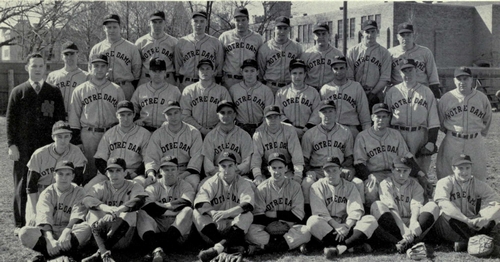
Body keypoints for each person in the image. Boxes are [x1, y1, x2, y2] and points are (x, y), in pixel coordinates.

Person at [7, 52, 66, 231]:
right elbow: (10, 121)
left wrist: (59, 144)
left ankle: (47, 219)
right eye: (34, 66)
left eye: (41, 66)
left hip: (47, 146)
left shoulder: (53, 92)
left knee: (47, 181)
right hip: (24, 147)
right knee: (23, 183)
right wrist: (12, 145)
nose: (38, 69)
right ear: (27, 68)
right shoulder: (18, 92)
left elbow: (60, 119)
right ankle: (20, 223)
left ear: (45, 68)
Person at [69, 54, 125, 189]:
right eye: (96, 66)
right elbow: (74, 116)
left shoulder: (116, 89)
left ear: (108, 68)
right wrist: (77, 140)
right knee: (89, 170)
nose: (99, 69)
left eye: (103, 66)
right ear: (89, 68)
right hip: (89, 134)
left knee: (111, 169)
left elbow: (122, 113)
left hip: (111, 132)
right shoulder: (80, 90)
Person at [354, 103, 426, 206]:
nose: (381, 120)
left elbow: (407, 156)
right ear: (372, 117)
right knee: (371, 191)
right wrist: (368, 176)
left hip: (396, 172)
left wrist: (420, 174)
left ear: (389, 118)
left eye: (384, 117)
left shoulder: (395, 134)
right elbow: (359, 163)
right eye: (378, 116)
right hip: (375, 174)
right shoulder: (362, 137)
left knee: (415, 186)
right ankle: (375, 215)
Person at [306, 157, 378, 259]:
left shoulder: (350, 186)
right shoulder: (316, 186)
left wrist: (347, 226)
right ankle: (351, 245)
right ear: (323, 172)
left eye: (334, 170)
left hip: (346, 225)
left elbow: (356, 210)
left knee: (371, 220)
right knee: (312, 221)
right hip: (328, 226)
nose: (331, 174)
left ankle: (337, 247)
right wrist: (336, 226)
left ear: (340, 170)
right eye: (328, 171)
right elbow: (320, 212)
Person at [19, 161, 91, 262]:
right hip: (50, 233)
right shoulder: (47, 192)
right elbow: (44, 216)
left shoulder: (79, 191)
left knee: (86, 228)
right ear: (54, 175)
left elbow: (78, 216)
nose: (64, 178)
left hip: (70, 233)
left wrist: (66, 232)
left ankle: (46, 257)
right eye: (60, 174)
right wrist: (50, 240)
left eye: (67, 174)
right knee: (24, 233)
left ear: (73, 176)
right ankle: (66, 256)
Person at [301, 100, 360, 217]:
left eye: (330, 111)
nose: (327, 114)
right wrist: (308, 171)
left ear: (335, 113)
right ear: (319, 114)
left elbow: (349, 156)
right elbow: (304, 158)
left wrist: (344, 168)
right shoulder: (310, 133)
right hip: (318, 170)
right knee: (306, 184)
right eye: (324, 112)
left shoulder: (345, 131)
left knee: (358, 183)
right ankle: (309, 217)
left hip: (338, 170)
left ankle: (355, 217)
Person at [82, 158, 147, 262]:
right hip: (101, 234)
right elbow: (87, 199)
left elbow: (139, 200)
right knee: (93, 212)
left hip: (122, 237)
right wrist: (105, 207)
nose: (114, 174)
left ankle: (101, 251)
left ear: (125, 172)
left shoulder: (134, 185)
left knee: (131, 213)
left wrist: (118, 210)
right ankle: (105, 254)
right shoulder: (101, 186)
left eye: (118, 171)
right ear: (106, 173)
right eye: (111, 171)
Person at [370, 157, 439, 253]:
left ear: (410, 171)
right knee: (376, 205)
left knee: (433, 206)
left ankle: (404, 243)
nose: (401, 175)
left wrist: (414, 222)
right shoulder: (386, 184)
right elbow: (391, 207)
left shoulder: (415, 185)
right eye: (398, 171)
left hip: (413, 228)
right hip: (395, 225)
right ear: (392, 170)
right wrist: (403, 229)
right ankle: (407, 242)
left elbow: (416, 205)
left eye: (405, 171)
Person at [194, 152, 255, 262]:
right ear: (218, 167)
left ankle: (218, 249)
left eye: (230, 165)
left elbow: (248, 204)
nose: (227, 170)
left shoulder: (243, 182)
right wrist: (214, 214)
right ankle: (227, 247)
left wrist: (226, 213)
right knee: (195, 213)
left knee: (248, 215)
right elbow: (200, 203)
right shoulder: (211, 182)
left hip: (234, 227)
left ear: (236, 166)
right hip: (215, 227)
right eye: (223, 166)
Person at [246, 153, 311, 253]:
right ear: (269, 169)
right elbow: (258, 216)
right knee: (250, 232)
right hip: (267, 228)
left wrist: (275, 214)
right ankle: (288, 245)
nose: (277, 172)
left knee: (306, 232)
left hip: (289, 227)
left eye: (280, 167)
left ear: (286, 168)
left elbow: (298, 216)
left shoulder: (295, 186)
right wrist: (271, 223)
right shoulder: (262, 188)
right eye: (274, 168)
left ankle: (266, 247)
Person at [433, 154, 500, 251]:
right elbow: (444, 204)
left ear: (471, 168)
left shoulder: (477, 184)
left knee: (495, 214)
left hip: (471, 223)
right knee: (447, 214)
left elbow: (497, 202)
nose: (464, 172)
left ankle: (466, 243)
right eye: (460, 168)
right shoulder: (445, 182)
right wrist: (466, 220)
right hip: (450, 224)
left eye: (467, 168)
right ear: (453, 169)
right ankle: (480, 241)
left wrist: (486, 218)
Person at [384, 59, 440, 174]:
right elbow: (386, 118)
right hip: (398, 134)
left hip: (419, 135)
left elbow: (433, 120)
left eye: (410, 70)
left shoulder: (426, 91)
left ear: (416, 71)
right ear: (400, 73)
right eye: (404, 71)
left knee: (421, 171)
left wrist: (431, 142)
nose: (408, 74)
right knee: (399, 169)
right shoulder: (393, 92)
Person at [26, 121, 87, 226]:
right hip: (41, 193)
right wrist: (34, 212)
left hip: (66, 193)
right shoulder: (39, 154)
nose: (63, 140)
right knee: (34, 229)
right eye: (59, 136)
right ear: (53, 136)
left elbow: (77, 181)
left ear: (71, 137)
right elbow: (31, 186)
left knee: (67, 226)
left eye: (66, 136)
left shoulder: (76, 152)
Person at [437, 66, 492, 181]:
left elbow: (487, 120)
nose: (462, 82)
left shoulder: (482, 98)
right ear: (454, 80)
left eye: (465, 78)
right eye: (459, 79)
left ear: (471, 80)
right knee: (447, 174)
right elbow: (441, 121)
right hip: (453, 140)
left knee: (478, 174)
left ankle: (476, 199)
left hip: (475, 141)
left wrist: (477, 132)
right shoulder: (446, 98)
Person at [137, 156, 195, 262]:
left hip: (177, 232)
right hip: (157, 228)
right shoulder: (153, 186)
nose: (170, 172)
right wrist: (172, 210)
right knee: (141, 213)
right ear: (160, 171)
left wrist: (163, 206)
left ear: (178, 170)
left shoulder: (185, 185)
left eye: (173, 169)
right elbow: (149, 206)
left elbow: (186, 202)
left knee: (188, 211)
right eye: (166, 169)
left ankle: (156, 248)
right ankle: (159, 249)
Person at [144, 100, 203, 191]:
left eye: (176, 112)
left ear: (181, 112)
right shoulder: (158, 133)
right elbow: (151, 157)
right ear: (165, 116)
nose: (173, 116)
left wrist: (182, 176)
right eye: (169, 114)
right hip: (165, 170)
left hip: (186, 170)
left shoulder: (193, 132)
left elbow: (196, 158)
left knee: (193, 182)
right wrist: (151, 174)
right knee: (153, 188)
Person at [93, 100, 152, 188]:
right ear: (117, 115)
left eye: (129, 114)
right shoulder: (109, 133)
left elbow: (148, 160)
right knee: (88, 189)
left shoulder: (144, 134)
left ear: (134, 114)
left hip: (134, 173)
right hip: (111, 172)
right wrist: (109, 174)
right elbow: (99, 159)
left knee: (137, 189)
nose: (125, 118)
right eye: (122, 115)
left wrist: (134, 174)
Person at [89, 14, 142, 100]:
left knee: (126, 112)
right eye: (109, 27)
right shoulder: (97, 48)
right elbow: (91, 71)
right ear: (104, 28)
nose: (112, 30)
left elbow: (137, 73)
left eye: (114, 27)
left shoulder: (131, 47)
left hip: (125, 87)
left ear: (120, 27)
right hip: (103, 87)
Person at [251, 105, 304, 186]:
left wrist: (298, 175)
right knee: (261, 187)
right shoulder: (258, 133)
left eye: (275, 117)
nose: (273, 120)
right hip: (267, 170)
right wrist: (257, 175)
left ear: (280, 117)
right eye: (269, 117)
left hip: (286, 169)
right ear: (265, 119)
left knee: (291, 186)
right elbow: (256, 157)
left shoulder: (289, 130)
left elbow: (296, 154)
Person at [320, 55, 371, 138]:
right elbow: (319, 115)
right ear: (331, 70)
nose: (339, 71)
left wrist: (366, 135)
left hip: (350, 129)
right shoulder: (325, 89)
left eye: (341, 68)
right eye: (335, 69)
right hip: (329, 129)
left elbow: (364, 115)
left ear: (347, 69)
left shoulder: (356, 87)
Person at [180, 59, 232, 137]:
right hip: (193, 132)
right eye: (202, 69)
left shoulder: (222, 91)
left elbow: (229, 114)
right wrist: (201, 129)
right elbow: (185, 116)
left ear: (213, 71)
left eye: (208, 68)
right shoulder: (189, 90)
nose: (205, 71)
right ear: (197, 71)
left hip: (218, 132)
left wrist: (216, 129)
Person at [346, 20, 391, 109]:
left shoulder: (384, 52)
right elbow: (349, 76)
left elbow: (385, 77)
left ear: (377, 32)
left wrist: (373, 93)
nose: (370, 35)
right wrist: (357, 92)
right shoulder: (352, 51)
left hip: (376, 94)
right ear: (362, 33)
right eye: (367, 32)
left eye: (373, 31)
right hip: (355, 93)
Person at [202, 100, 253, 179]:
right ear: (218, 115)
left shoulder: (244, 135)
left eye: (229, 112)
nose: (226, 115)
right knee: (202, 188)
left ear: (234, 115)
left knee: (251, 188)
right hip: (216, 176)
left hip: (239, 176)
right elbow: (208, 166)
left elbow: (247, 163)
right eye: (222, 113)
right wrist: (222, 172)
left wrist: (231, 172)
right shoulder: (210, 136)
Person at [389, 22, 441, 98]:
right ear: (397, 37)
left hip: (421, 91)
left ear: (413, 36)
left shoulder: (425, 52)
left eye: (408, 35)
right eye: (402, 35)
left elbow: (433, 77)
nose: (405, 38)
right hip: (398, 91)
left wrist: (436, 94)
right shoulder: (390, 53)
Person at [175, 11, 224, 90]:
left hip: (208, 84)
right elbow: (178, 65)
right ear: (191, 23)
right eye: (195, 21)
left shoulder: (215, 42)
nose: (198, 24)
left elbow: (219, 66)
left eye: (202, 21)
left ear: (206, 23)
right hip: (186, 83)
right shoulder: (182, 42)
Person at [131, 58, 182, 132]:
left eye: (160, 71)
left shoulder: (174, 90)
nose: (157, 74)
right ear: (149, 72)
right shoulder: (140, 89)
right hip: (144, 130)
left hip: (166, 130)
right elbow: (132, 109)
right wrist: (137, 120)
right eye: (154, 71)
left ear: (165, 73)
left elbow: (182, 112)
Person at [275, 59, 321, 139]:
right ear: (290, 74)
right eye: (294, 73)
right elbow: (278, 113)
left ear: (305, 74)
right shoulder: (282, 92)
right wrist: (292, 128)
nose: (297, 77)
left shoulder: (313, 92)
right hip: (286, 132)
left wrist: (307, 128)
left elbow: (317, 113)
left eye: (300, 73)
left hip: (309, 132)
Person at [219, 7, 263, 89]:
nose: (240, 23)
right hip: (229, 80)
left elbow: (260, 61)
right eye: (237, 20)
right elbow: (220, 60)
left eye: (243, 20)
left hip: (249, 81)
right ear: (234, 21)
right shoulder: (225, 37)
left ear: (248, 20)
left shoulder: (257, 38)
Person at [258, 16, 302, 95]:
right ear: (274, 28)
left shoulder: (296, 47)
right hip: (271, 88)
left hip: (290, 87)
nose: (282, 31)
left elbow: (300, 69)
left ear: (289, 29)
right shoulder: (265, 48)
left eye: (285, 28)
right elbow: (260, 72)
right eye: (279, 28)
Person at [229, 59, 274, 136]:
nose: (249, 74)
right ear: (241, 72)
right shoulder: (233, 89)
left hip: (260, 127)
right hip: (240, 128)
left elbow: (268, 114)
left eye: (252, 71)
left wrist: (262, 129)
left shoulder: (266, 90)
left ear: (257, 72)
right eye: (246, 71)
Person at [46, 41, 89, 117]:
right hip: (57, 117)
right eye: (66, 54)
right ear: (62, 56)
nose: (69, 57)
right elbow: (47, 100)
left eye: (72, 54)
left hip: (78, 117)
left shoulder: (86, 76)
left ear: (77, 55)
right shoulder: (52, 76)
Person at [135, 10, 178, 87]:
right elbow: (136, 67)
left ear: (165, 23)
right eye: (154, 22)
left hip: (167, 79)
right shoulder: (141, 42)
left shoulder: (173, 42)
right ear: (149, 23)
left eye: (160, 22)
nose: (157, 25)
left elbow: (177, 64)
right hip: (146, 79)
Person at [301, 22, 343, 90]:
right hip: (310, 89)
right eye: (318, 34)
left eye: (324, 34)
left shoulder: (338, 54)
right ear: (314, 36)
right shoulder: (306, 54)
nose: (321, 37)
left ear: (329, 35)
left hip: (330, 90)